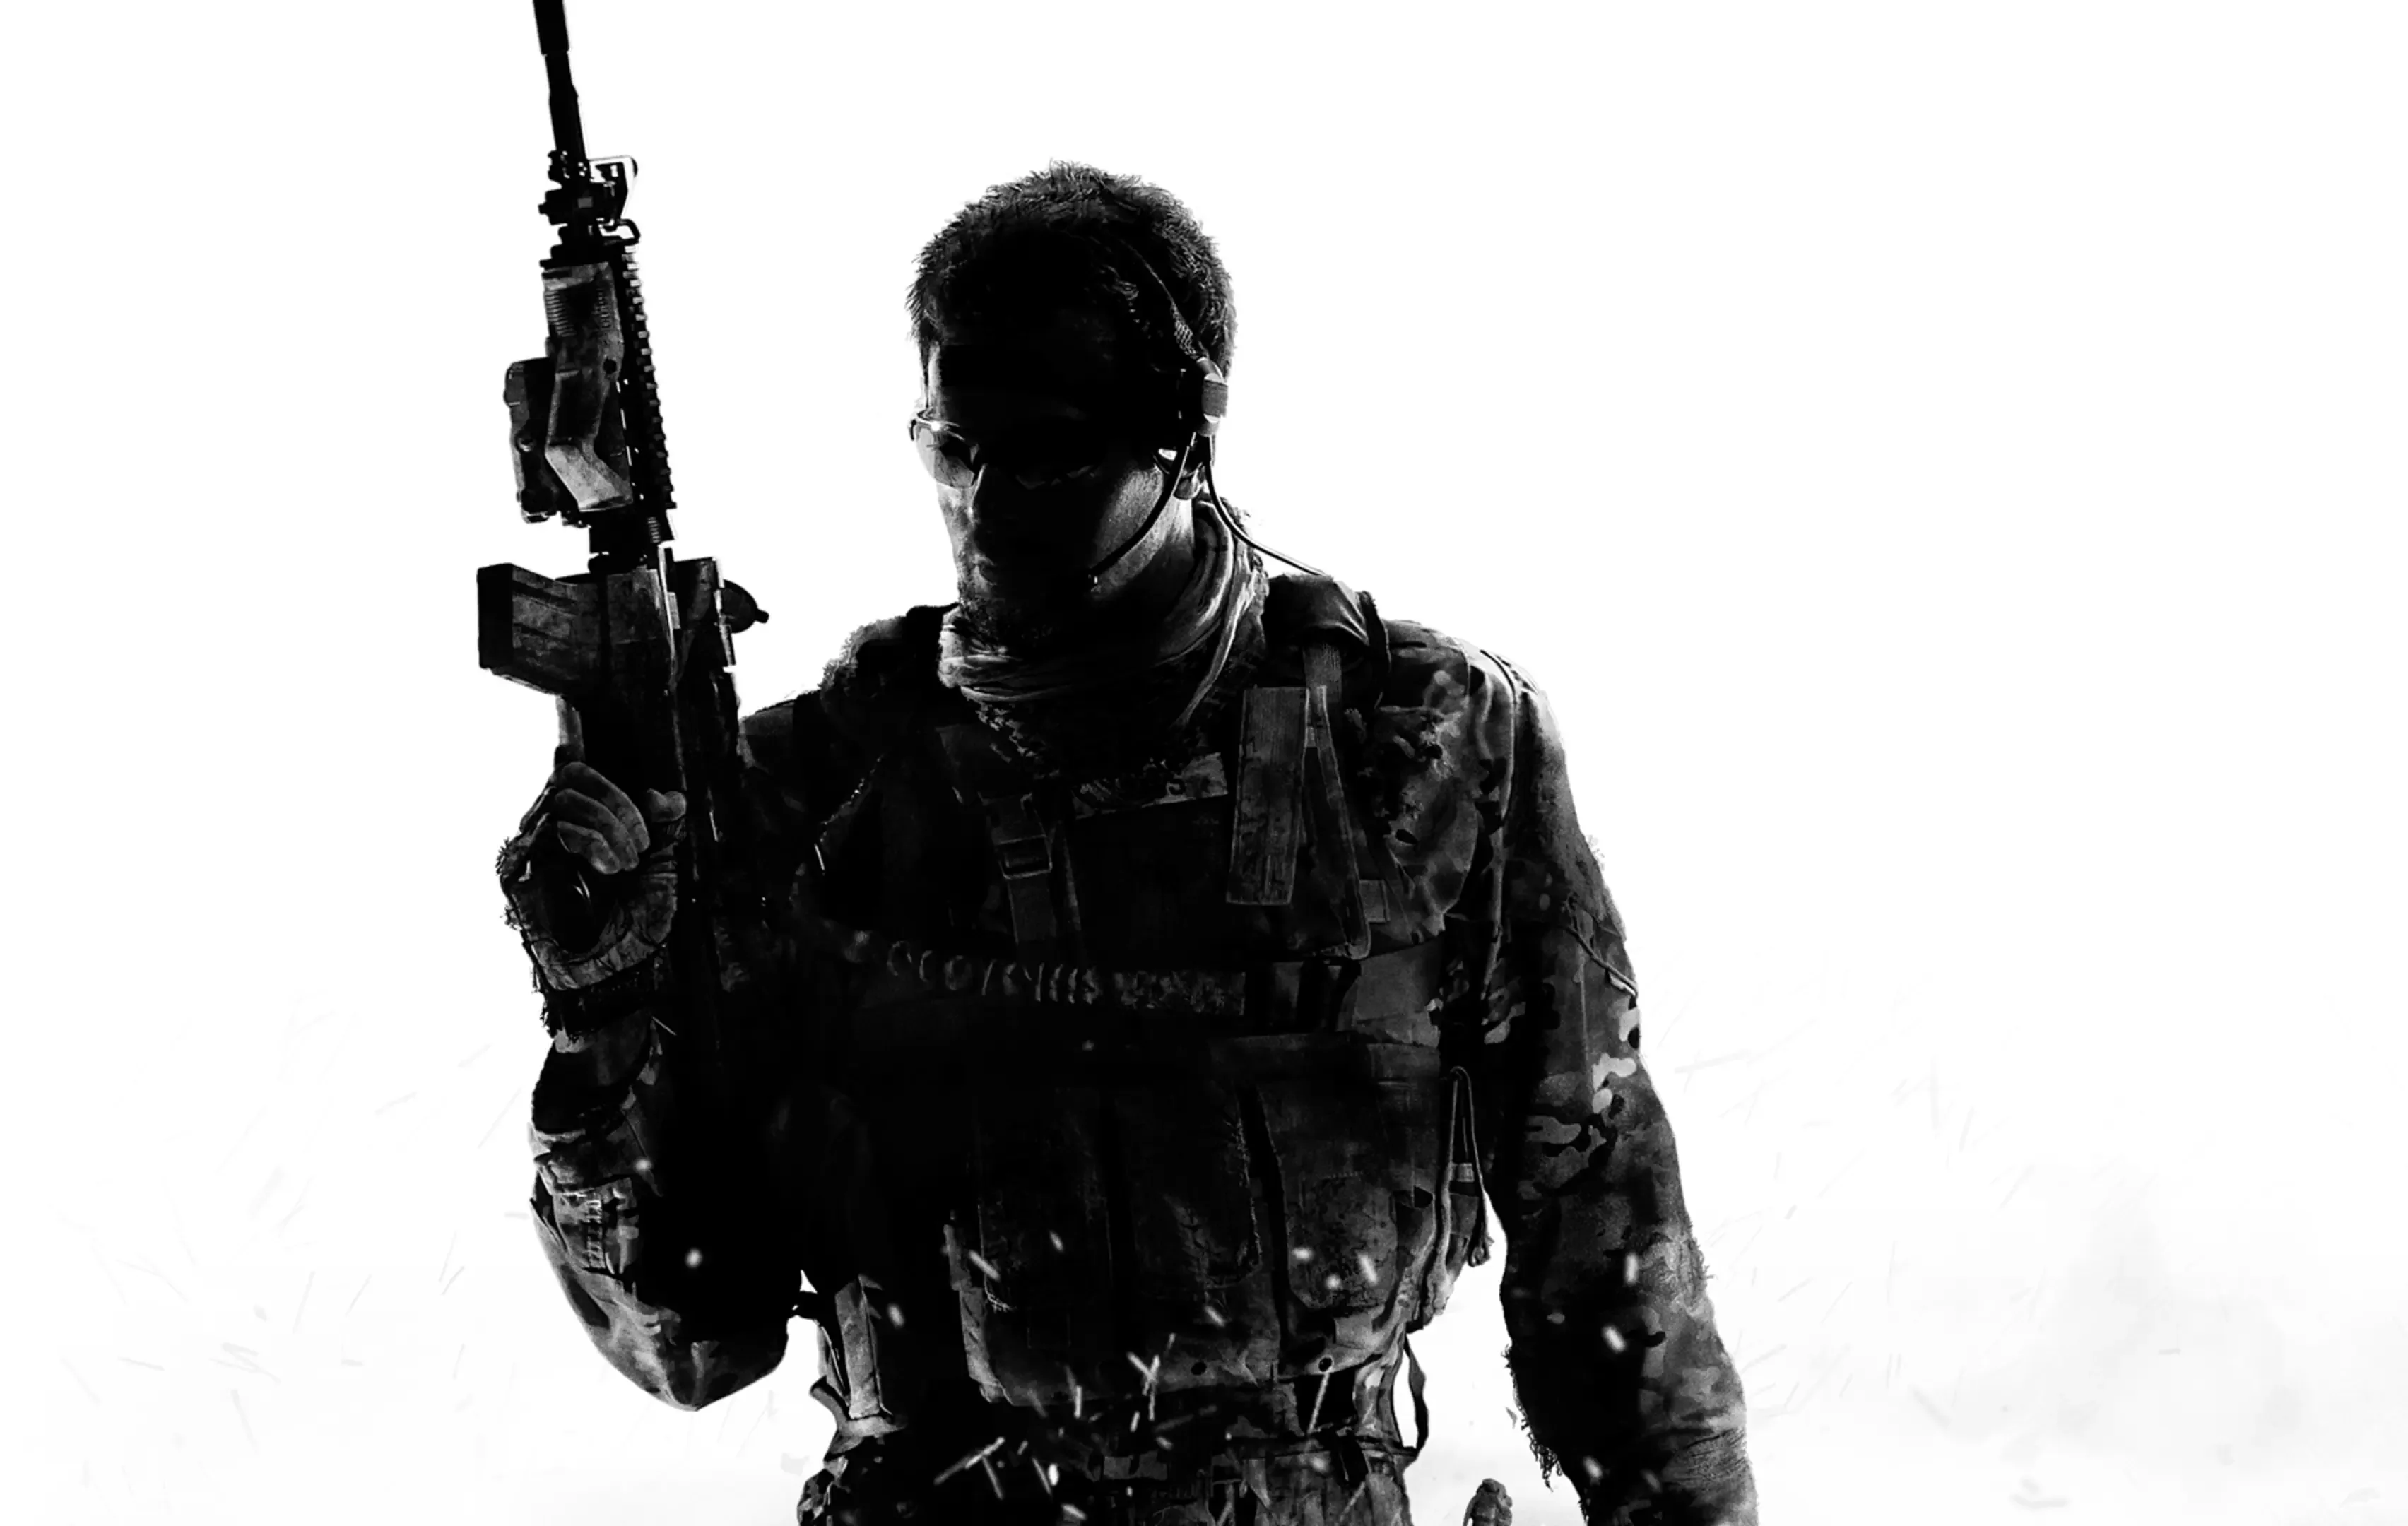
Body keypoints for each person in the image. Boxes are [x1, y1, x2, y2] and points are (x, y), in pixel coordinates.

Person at [497, 163, 1758, 1526]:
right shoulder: (820, 793)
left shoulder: (1422, 742)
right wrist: (600, 1013)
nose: (987, 503)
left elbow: (1606, 1234)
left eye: (1047, 452)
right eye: (955, 448)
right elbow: (692, 1343)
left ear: (1182, 436)